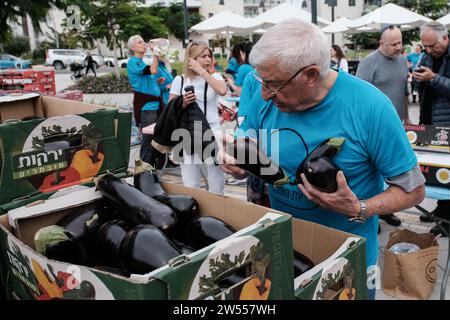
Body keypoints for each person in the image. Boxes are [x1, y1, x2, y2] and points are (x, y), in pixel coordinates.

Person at [218, 19, 425, 299]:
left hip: (346, 263)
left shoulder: (371, 108)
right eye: (261, 82)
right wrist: (236, 160)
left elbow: (413, 190)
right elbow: (247, 137)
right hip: (282, 253)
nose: (265, 94)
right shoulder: (267, 96)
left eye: (274, 85)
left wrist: (359, 207)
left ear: (311, 75)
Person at [356, 25, 412, 228]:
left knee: (392, 170)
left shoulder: (403, 60)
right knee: (372, 172)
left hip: (395, 123)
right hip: (371, 127)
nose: (399, 47)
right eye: (394, 44)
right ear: (381, 44)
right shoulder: (369, 62)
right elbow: (358, 97)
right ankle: (373, 213)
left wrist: (406, 116)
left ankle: (388, 210)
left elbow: (405, 91)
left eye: (400, 42)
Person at [169, 41, 228, 195]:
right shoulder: (180, 80)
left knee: (216, 182)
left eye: (209, 55)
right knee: (191, 183)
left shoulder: (214, 76)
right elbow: (170, 109)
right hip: (188, 132)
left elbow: (222, 90)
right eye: (203, 56)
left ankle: (217, 213)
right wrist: (182, 102)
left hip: (211, 131)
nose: (208, 59)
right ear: (192, 58)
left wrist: (202, 71)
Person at [413, 21, 450, 236]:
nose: (428, 50)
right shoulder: (427, 56)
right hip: (429, 121)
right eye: (425, 46)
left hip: (446, 123)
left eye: (432, 46)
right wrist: (418, 80)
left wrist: (433, 78)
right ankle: (440, 209)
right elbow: (421, 87)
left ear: (445, 38)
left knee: (448, 170)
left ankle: (447, 220)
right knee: (437, 168)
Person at [127, 35, 164, 167]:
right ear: (133, 47)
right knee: (148, 139)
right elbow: (153, 70)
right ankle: (144, 168)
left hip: (154, 105)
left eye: (143, 41)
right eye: (140, 42)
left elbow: (148, 76)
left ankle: (159, 162)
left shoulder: (141, 63)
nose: (144, 44)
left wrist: (157, 83)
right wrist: (155, 53)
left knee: (158, 135)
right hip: (147, 107)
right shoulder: (133, 62)